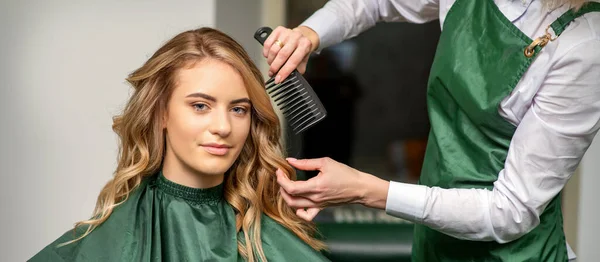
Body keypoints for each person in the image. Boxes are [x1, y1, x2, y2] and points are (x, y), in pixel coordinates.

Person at [264, 0, 600, 261]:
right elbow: (377, 3)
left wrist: (367, 190)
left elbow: (509, 211)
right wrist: (309, 34)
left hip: (514, 255)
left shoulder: (584, 45)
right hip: (434, 242)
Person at [29, 27, 329, 262]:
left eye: (239, 109)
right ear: (161, 114)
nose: (223, 128)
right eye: (200, 106)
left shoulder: (267, 238)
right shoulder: (110, 236)